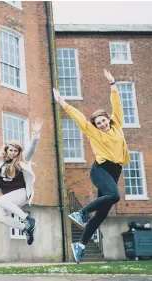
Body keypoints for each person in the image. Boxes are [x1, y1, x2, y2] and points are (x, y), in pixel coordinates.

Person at [53, 69, 130, 263]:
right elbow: (79, 118)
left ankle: (80, 245)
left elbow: (117, 105)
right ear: (95, 126)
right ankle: (81, 212)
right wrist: (63, 103)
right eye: (98, 123)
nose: (102, 124)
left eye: (103, 120)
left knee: (103, 213)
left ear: (108, 119)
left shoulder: (117, 124)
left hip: (114, 171)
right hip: (100, 170)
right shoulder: (94, 132)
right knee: (114, 196)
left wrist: (113, 85)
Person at [0, 119, 42, 246]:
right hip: (9, 197)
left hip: (21, 193)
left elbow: (32, 150)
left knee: (0, 201)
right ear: (6, 150)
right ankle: (26, 229)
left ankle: (28, 220)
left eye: (15, 151)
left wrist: (35, 135)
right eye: (11, 150)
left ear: (19, 152)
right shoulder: (0, 159)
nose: (13, 153)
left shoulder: (22, 160)